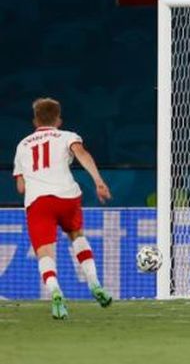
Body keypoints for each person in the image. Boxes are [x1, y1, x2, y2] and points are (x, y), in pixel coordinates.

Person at [13, 98, 113, 319]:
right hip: (67, 196)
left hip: (38, 201)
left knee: (45, 252)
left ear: (34, 120)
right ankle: (95, 283)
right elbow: (82, 154)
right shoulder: (67, 136)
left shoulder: (22, 145)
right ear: (58, 119)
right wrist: (98, 181)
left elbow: (21, 187)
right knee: (77, 235)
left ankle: (55, 292)